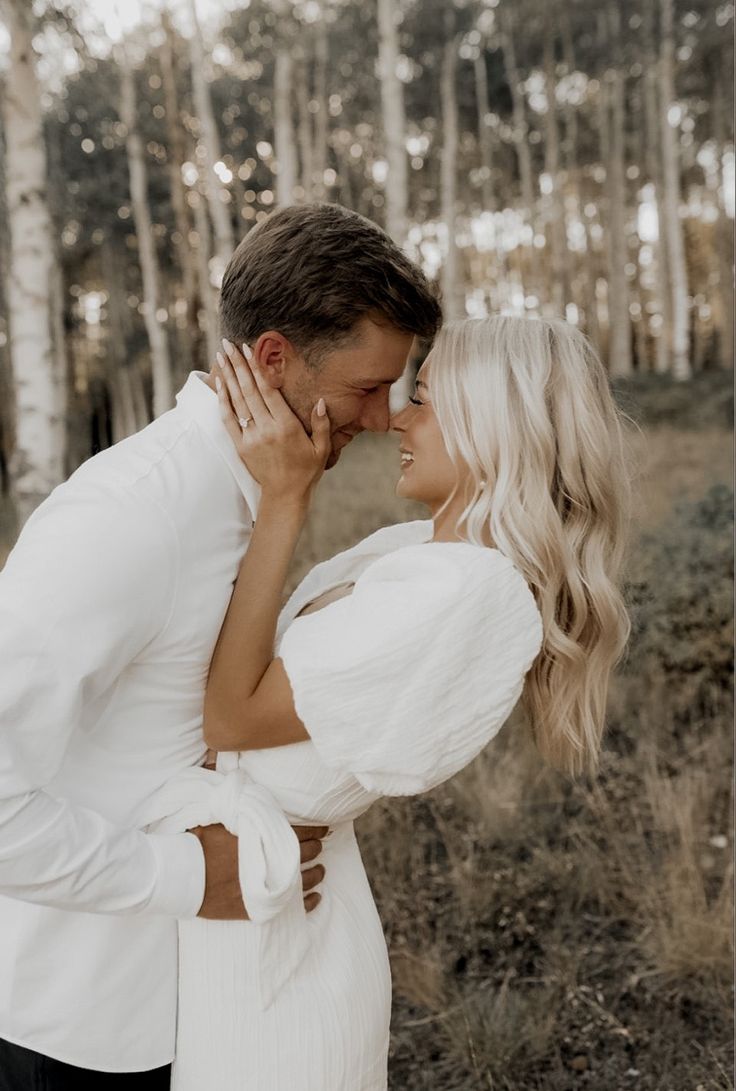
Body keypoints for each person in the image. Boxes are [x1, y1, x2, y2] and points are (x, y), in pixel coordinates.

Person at [0, 203, 441, 1089]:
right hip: (82, 1026)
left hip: (201, 1005)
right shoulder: (132, 518)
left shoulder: (260, 489)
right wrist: (185, 874)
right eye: (365, 386)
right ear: (274, 357)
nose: (385, 415)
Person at [149, 314, 632, 1090]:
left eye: (426, 399)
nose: (395, 418)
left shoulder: (469, 593)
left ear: (493, 427)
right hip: (245, 900)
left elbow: (232, 717)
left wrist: (283, 500)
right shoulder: (423, 554)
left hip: (279, 952)